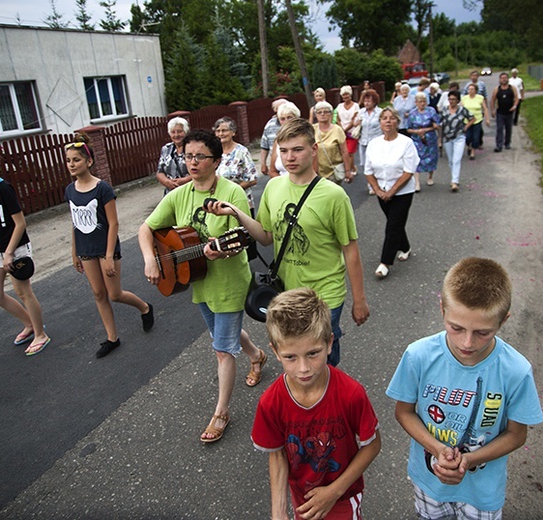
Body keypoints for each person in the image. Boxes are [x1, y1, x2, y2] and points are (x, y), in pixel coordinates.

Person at [386, 257, 543, 520]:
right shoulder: (418, 356)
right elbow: (404, 412)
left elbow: (517, 435)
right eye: (456, 328)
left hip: (483, 492)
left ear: (503, 321)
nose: (467, 342)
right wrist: (437, 449)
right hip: (429, 481)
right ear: (442, 309)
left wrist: (469, 460)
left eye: (482, 332)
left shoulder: (515, 370)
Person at [207, 118, 370, 367]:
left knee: (322, 355)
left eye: (297, 149)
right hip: (288, 294)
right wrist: (236, 213)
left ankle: (331, 394)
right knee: (298, 357)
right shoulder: (273, 187)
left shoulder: (333, 195)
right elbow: (265, 236)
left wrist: (359, 301)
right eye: (283, 151)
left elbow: (350, 250)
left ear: (313, 150)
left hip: (325, 294)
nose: (289, 157)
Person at [138, 129, 266, 443]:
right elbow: (146, 228)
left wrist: (224, 248)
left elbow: (240, 238)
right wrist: (150, 260)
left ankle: (221, 412)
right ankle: (258, 354)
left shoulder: (231, 192)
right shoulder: (178, 195)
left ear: (216, 160)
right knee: (221, 335)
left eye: (200, 156)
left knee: (222, 350)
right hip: (198, 281)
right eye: (188, 156)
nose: (192, 162)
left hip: (229, 282)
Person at [251, 288, 381, 520]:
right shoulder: (270, 402)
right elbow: (278, 455)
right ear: (275, 352)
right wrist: (278, 513)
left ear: (329, 343)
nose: (303, 368)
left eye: (313, 353)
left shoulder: (351, 394)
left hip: (343, 497)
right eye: (290, 357)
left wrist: (334, 491)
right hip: (302, 499)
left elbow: (372, 444)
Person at [64, 135, 154, 358]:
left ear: (89, 161)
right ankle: (112, 337)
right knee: (98, 293)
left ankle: (144, 307)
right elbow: (75, 223)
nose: (72, 165)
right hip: (85, 250)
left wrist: (108, 256)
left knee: (114, 294)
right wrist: (74, 252)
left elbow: (113, 223)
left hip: (106, 249)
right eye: (68, 160)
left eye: (76, 160)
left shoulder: (102, 188)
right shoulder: (70, 190)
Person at [0, 142, 51, 356]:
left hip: (16, 249)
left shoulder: (3, 188)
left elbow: (20, 223)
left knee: (23, 292)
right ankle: (29, 324)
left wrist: (9, 253)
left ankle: (41, 334)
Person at [364, 107, 420, 279]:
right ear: (380, 122)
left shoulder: (406, 143)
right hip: (382, 192)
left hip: (402, 192)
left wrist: (392, 191)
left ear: (397, 122)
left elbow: (408, 171)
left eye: (392, 118)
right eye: (384, 118)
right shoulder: (374, 144)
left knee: (392, 226)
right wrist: (378, 190)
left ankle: (385, 263)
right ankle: (405, 247)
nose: (388, 121)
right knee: (394, 223)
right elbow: (368, 171)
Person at [213, 116, 258, 215]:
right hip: (218, 205)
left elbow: (252, 179)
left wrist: (230, 191)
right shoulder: (213, 152)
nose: (221, 134)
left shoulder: (241, 152)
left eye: (224, 130)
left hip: (240, 203)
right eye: (218, 131)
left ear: (233, 132)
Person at [440, 90, 475, 192]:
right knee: (451, 160)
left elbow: (472, 118)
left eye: (453, 99)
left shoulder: (462, 110)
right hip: (447, 138)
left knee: (456, 159)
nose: (451, 101)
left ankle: (455, 181)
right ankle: (453, 178)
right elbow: (439, 122)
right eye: (450, 99)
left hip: (459, 137)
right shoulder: (444, 110)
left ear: (458, 100)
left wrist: (466, 127)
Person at [313, 100, 351, 185]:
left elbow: (344, 152)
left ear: (330, 114)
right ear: (316, 115)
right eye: (319, 112)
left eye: (326, 112)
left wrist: (348, 170)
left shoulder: (337, 130)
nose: (322, 114)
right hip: (317, 173)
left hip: (333, 172)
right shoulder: (312, 129)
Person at [407, 91, 440, 189]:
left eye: (424, 101)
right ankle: (417, 182)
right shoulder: (412, 113)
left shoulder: (431, 111)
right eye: (420, 101)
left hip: (430, 139)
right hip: (417, 140)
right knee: (417, 160)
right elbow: (408, 128)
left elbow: (437, 124)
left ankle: (430, 177)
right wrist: (417, 132)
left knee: (432, 158)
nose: (422, 104)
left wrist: (428, 129)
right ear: (416, 102)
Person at [352, 89, 383, 194]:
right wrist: (357, 122)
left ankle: (379, 183)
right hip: (364, 142)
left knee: (377, 164)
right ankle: (371, 185)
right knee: (366, 165)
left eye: (369, 101)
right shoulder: (361, 112)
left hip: (377, 143)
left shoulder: (380, 112)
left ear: (374, 101)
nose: (367, 103)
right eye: (365, 101)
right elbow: (355, 123)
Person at [155, 117, 192, 195]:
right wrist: (166, 182)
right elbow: (160, 172)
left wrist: (185, 180)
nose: (176, 135)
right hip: (170, 193)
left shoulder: (193, 148)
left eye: (179, 131)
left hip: (190, 191)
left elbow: (203, 170)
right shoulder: (166, 149)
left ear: (186, 132)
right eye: (173, 132)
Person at [269, 101, 301, 178]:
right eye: (282, 119)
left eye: (289, 117)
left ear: (297, 118)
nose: (286, 121)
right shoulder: (277, 141)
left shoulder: (306, 138)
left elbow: (314, 169)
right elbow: (272, 171)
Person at [491, 72, 519, 152]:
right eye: (502, 78)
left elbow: (516, 98)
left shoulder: (512, 88)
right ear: (500, 79)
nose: (504, 79)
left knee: (508, 128)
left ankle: (507, 143)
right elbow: (493, 100)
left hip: (509, 112)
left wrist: (514, 106)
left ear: (507, 79)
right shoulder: (497, 89)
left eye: (505, 78)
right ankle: (499, 145)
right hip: (500, 112)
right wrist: (492, 110)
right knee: (499, 129)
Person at [461, 84, 490, 161]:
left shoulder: (480, 98)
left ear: (476, 90)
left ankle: (473, 152)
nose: (470, 91)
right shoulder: (464, 98)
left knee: (476, 137)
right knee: (467, 137)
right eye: (469, 89)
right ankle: (469, 146)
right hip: (466, 121)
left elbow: (485, 109)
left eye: (472, 89)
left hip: (477, 120)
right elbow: (460, 110)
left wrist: (487, 119)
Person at [336, 85, 360, 176]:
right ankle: (353, 167)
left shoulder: (356, 106)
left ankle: (348, 171)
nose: (345, 97)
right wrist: (341, 129)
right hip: (341, 132)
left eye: (347, 94)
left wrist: (345, 130)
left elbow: (354, 119)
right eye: (343, 95)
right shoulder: (339, 106)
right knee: (343, 152)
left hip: (351, 132)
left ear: (350, 95)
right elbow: (337, 119)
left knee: (350, 152)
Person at [260, 98, 288, 175]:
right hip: (276, 166)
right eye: (280, 108)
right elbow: (264, 146)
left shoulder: (298, 124)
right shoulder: (269, 125)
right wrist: (263, 163)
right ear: (275, 110)